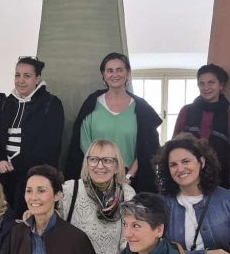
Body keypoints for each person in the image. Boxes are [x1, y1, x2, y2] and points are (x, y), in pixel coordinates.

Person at [66, 52, 162, 193]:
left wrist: (128, 177)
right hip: (95, 180)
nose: (115, 74)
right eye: (110, 70)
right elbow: (83, 144)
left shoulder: (141, 108)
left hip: (132, 183)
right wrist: (100, 173)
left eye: (119, 70)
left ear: (128, 74)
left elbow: (147, 148)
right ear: (103, 75)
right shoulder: (91, 104)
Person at [157, 134, 230, 254]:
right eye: (173, 165)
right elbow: (157, 251)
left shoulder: (228, 200)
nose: (180, 169)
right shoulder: (161, 203)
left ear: (202, 162)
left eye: (186, 161)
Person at [0, 56, 65, 212]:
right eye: (17, 75)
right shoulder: (6, 103)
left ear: (37, 78)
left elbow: (51, 145)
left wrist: (17, 165)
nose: (21, 80)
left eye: (27, 76)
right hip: (5, 176)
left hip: (36, 179)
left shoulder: (51, 103)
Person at [172, 63, 230, 193]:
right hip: (186, 179)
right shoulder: (186, 111)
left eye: (211, 82)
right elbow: (174, 146)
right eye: (202, 83)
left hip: (220, 181)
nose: (206, 87)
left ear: (221, 85)